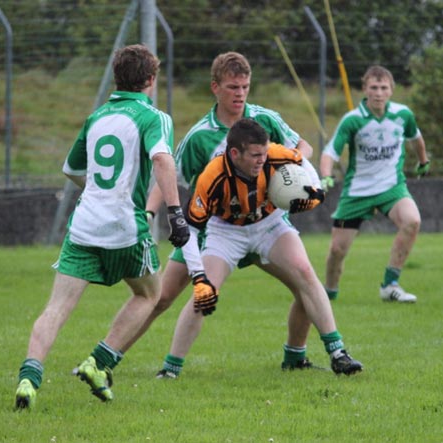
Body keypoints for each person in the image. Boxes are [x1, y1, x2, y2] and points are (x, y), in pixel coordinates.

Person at [14, 44, 190, 410]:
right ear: (151, 80)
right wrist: (175, 212)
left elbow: (71, 169)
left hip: (84, 225)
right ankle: (99, 362)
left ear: (117, 78)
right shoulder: (154, 117)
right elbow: (161, 159)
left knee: (57, 307)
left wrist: (97, 193)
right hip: (126, 226)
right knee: (149, 294)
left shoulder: (96, 118)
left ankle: (29, 380)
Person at [123, 52, 320, 376]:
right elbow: (168, 173)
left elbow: (303, 147)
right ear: (215, 88)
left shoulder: (263, 120)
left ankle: (295, 357)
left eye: (244, 86)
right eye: (232, 87)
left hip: (261, 225)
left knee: (306, 287)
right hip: (214, 231)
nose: (240, 93)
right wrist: (148, 212)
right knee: (161, 297)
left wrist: (290, 171)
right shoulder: (201, 135)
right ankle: (106, 360)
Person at [159, 118, 363, 377]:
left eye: (265, 154)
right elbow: (192, 230)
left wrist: (316, 194)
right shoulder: (212, 176)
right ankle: (170, 369)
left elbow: (302, 162)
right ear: (234, 154)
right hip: (226, 231)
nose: (262, 160)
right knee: (204, 295)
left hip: (269, 223)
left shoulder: (273, 154)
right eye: (255, 155)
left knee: (305, 273)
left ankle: (338, 354)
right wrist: (198, 276)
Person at [320, 65, 430, 303]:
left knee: (412, 221)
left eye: (383, 87)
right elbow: (330, 152)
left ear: (391, 90)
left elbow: (416, 138)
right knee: (337, 250)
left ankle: (390, 284)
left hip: (392, 187)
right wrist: (326, 175)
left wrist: (423, 161)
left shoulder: (403, 115)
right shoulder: (352, 120)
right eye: (374, 87)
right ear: (365, 89)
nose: (378, 92)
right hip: (357, 191)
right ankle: (328, 292)